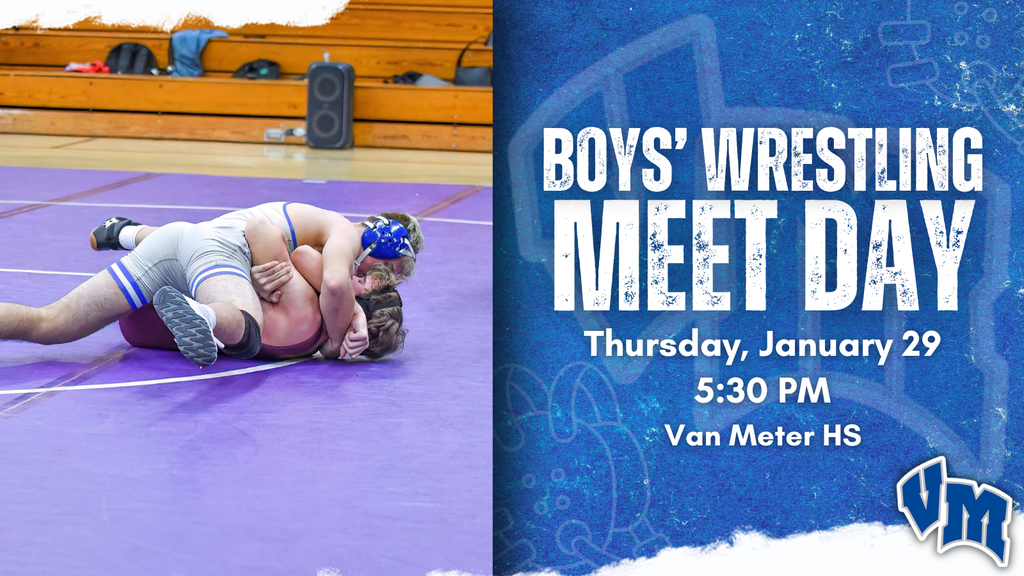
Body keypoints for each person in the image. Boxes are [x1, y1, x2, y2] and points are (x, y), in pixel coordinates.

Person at [0, 203, 421, 368]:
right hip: (215, 253)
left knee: (49, 322)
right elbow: (331, 283)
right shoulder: (343, 240)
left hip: (186, 245)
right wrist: (341, 333)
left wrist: (262, 272)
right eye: (391, 271)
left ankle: (128, 234)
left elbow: (304, 262)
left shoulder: (325, 255)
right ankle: (204, 315)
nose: (389, 279)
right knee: (245, 324)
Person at [118, 217, 407, 360]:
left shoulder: (303, 298)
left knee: (203, 237)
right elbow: (333, 347)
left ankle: (129, 233)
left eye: (357, 279)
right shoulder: (309, 348)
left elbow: (263, 231)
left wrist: (244, 270)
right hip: (141, 334)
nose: (348, 273)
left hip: (141, 304)